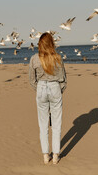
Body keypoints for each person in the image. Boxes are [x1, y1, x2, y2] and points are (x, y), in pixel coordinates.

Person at [29, 32, 67, 165]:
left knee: (43, 124)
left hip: (41, 88)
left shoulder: (34, 58)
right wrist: (58, 90)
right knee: (56, 123)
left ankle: (46, 155)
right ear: (52, 43)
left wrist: (39, 89)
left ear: (40, 44)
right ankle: (55, 155)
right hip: (55, 87)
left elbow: (31, 80)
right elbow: (63, 79)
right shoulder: (57, 57)